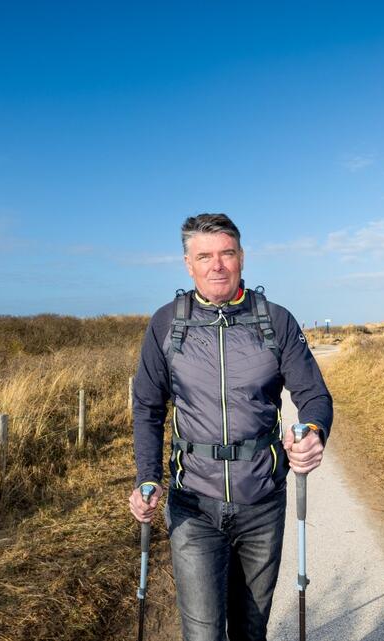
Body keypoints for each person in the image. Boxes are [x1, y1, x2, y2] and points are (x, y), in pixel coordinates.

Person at [128, 213, 333, 641]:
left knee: (250, 630)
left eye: (226, 253)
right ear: (188, 264)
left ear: (242, 258)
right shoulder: (167, 323)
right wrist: (147, 478)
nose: (216, 265)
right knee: (203, 634)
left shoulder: (275, 320)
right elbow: (148, 406)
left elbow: (313, 395)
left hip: (262, 503)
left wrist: (313, 430)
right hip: (193, 506)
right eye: (204, 256)